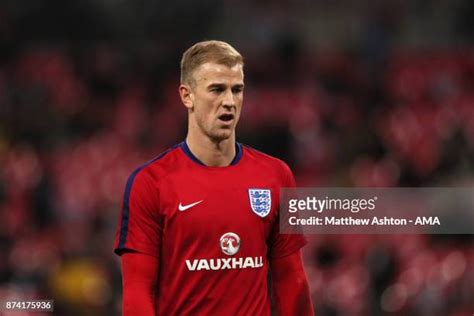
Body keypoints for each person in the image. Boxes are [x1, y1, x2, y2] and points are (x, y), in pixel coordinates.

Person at [114, 40, 314, 315]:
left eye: (237, 90)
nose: (229, 102)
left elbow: (292, 279)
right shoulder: (151, 183)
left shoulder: (276, 176)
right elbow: (138, 292)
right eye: (217, 89)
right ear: (187, 96)